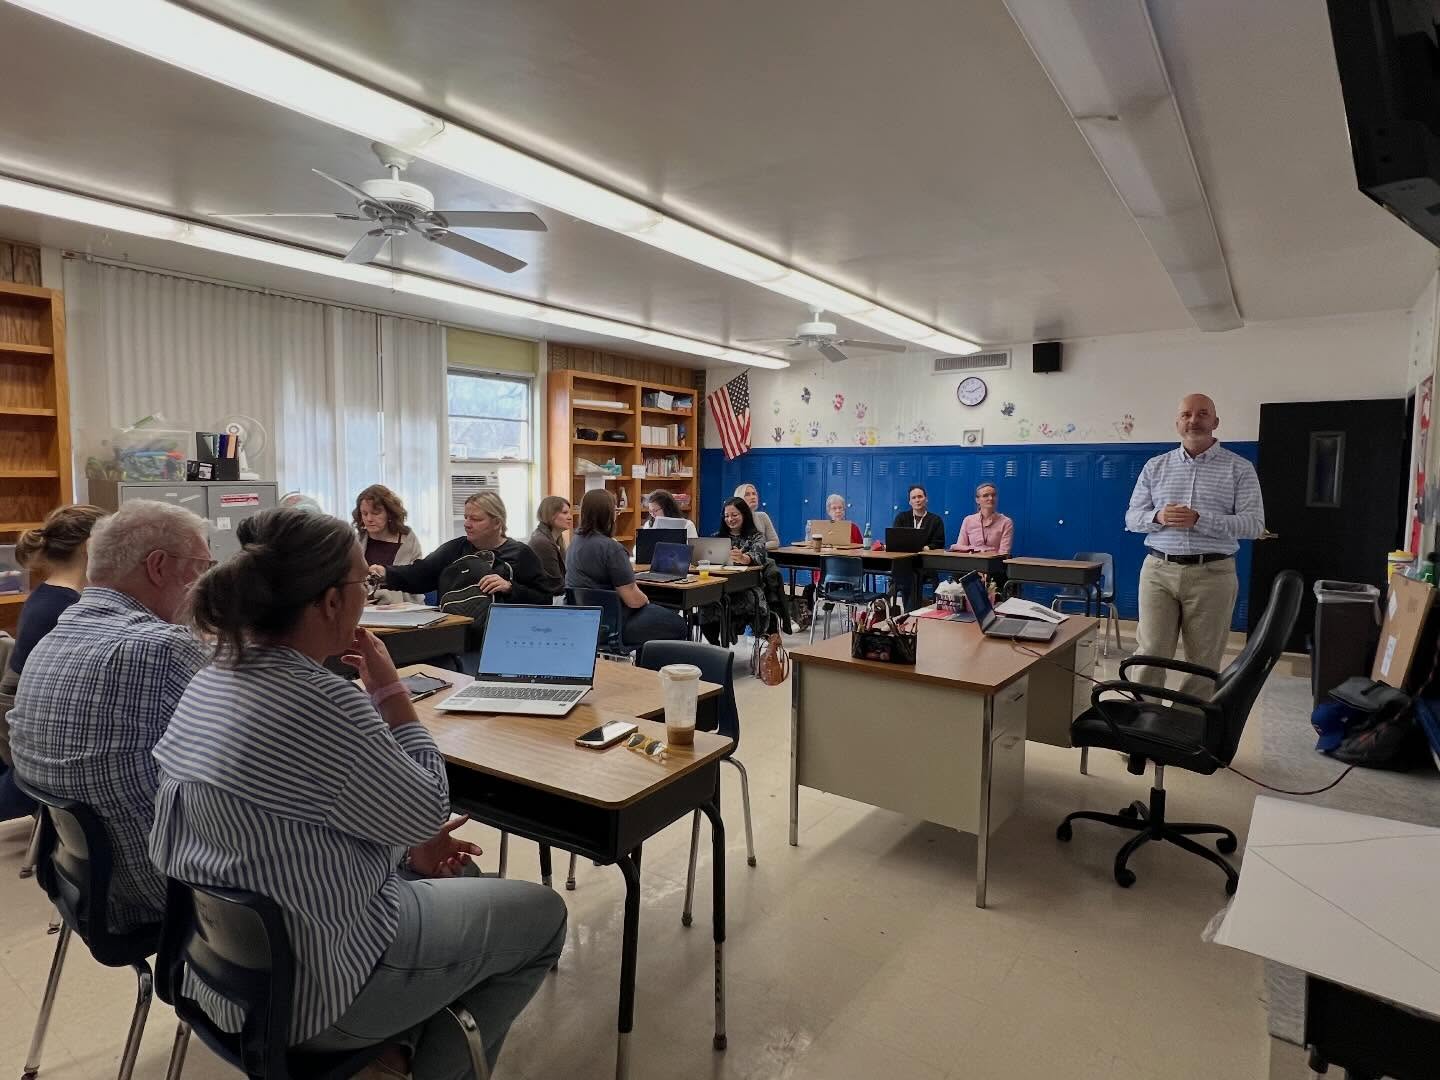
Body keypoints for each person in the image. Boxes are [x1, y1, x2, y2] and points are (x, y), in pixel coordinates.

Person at [150, 508, 566, 1078]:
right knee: (544, 916)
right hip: (314, 992)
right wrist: (391, 691)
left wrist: (403, 851)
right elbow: (427, 806)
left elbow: (300, 820)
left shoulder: (215, 674)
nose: (367, 593)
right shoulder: (322, 701)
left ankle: (399, 1040)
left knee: (453, 878)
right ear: (327, 601)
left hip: (218, 972)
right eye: (362, 584)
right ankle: (414, 1065)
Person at [9, 500, 210, 931]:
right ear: (158, 566)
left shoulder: (56, 633)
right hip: (166, 893)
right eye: (202, 567)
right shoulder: (163, 646)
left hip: (80, 882)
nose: (205, 584)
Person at [1125, 393, 1265, 697]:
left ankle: (1186, 731)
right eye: (1186, 414)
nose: (1194, 420)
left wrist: (1200, 519)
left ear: (1215, 422)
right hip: (1158, 571)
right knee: (1149, 653)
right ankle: (1142, 725)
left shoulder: (1239, 469)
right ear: (1177, 423)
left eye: (1202, 414)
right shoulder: (1155, 466)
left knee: (1203, 661)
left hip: (1212, 573)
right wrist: (1159, 515)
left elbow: (1254, 525)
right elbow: (1132, 518)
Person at [0, 504, 107, 821]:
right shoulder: (67, 608)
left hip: (21, 715)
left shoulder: (49, 594)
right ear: (91, 547)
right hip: (32, 730)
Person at [372, 491, 549, 615]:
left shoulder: (521, 554)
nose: (467, 524)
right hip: (456, 635)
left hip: (503, 635)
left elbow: (544, 599)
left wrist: (511, 588)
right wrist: (386, 573)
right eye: (466, 517)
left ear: (497, 523)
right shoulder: (453, 549)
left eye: (475, 519)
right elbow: (419, 574)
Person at [566, 489, 688, 647]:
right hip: (614, 623)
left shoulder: (574, 544)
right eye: (615, 510)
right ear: (609, 514)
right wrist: (648, 601)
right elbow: (633, 600)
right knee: (678, 625)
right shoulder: (612, 548)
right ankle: (652, 669)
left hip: (584, 621)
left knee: (656, 613)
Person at [705, 497, 770, 644]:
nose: (730, 519)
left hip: (745, 586)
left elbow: (759, 556)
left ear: (744, 515)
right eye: (727, 516)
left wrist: (744, 558)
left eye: (734, 515)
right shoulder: (717, 537)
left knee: (741, 600)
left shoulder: (756, 536)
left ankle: (732, 631)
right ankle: (715, 647)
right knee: (705, 602)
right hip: (719, 585)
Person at [797, 494, 862, 630]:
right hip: (828, 573)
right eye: (834, 508)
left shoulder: (853, 528)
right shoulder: (822, 529)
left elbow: (861, 550)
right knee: (827, 583)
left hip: (849, 571)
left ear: (844, 510)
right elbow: (812, 547)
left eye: (840, 508)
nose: (838, 511)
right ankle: (826, 606)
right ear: (828, 511)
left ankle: (843, 611)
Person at [353, 484, 425, 604]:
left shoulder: (408, 539)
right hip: (365, 608)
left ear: (389, 513)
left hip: (404, 608)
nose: (369, 518)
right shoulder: (357, 540)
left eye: (375, 513)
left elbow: (416, 579)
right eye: (364, 514)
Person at [891, 484, 946, 609]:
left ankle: (910, 612)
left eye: (920, 496)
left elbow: (939, 543)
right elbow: (895, 539)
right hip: (904, 561)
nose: (917, 500)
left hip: (925, 563)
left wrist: (927, 548)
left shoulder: (936, 520)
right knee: (906, 573)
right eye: (914, 497)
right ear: (910, 502)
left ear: (926, 499)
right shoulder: (901, 518)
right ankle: (907, 611)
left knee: (912, 575)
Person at [528, 495, 572, 598]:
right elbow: (555, 585)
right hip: (546, 600)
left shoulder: (556, 538)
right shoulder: (542, 542)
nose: (570, 517)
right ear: (550, 515)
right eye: (565, 513)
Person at [952, 483, 1014, 554]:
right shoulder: (968, 520)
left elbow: (1004, 552)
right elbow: (960, 546)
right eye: (985, 496)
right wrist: (977, 550)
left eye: (993, 495)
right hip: (971, 561)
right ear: (977, 500)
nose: (990, 498)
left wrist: (973, 550)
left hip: (994, 562)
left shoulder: (1006, 522)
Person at [734, 483, 780, 550]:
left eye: (754, 494)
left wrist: (755, 547)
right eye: (747, 494)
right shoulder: (733, 519)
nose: (753, 497)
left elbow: (775, 542)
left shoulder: (762, 516)